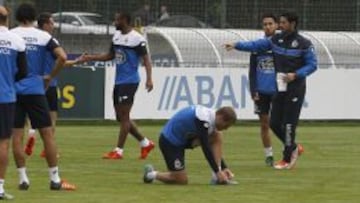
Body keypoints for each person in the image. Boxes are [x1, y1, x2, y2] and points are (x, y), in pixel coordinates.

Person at [225, 12, 316, 170]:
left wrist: (296, 75)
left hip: (295, 88)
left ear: (293, 24)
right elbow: (255, 46)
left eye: (283, 23)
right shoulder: (276, 40)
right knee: (273, 123)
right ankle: (293, 147)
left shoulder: (304, 43)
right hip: (279, 87)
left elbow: (312, 65)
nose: (280, 25)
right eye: (279, 22)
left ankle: (287, 159)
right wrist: (237, 45)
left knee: (289, 124)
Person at [11, 3, 75, 190]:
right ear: (33, 18)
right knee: (47, 134)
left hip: (14, 91)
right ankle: (54, 178)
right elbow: (62, 57)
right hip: (35, 89)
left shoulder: (10, 34)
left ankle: (23, 179)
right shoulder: (43, 36)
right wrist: (50, 77)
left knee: (17, 136)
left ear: (17, 17)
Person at [78, 12, 155, 160]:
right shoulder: (116, 36)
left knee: (124, 117)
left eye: (117, 20)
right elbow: (110, 56)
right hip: (119, 81)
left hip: (130, 81)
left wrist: (149, 79)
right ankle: (145, 143)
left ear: (125, 20)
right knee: (121, 118)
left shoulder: (137, 39)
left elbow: (146, 59)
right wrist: (91, 57)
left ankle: (118, 151)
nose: (115, 22)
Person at [24, 12, 82, 158]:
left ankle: (31, 133)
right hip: (49, 83)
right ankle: (47, 149)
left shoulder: (31, 40)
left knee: (31, 115)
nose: (53, 25)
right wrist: (74, 62)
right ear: (44, 24)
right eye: (51, 22)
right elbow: (61, 60)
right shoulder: (49, 41)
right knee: (51, 119)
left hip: (34, 83)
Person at [143, 105, 237, 185]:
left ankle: (216, 178)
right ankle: (151, 174)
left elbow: (213, 147)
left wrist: (223, 168)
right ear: (220, 117)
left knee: (217, 135)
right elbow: (206, 147)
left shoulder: (211, 117)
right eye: (226, 125)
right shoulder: (203, 119)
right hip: (170, 142)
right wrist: (218, 172)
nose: (226, 128)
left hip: (184, 138)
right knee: (181, 180)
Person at [0, 6, 27, 200]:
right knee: (3, 143)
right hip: (6, 97)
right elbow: (23, 72)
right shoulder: (16, 41)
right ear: (7, 19)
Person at [248, 13, 278, 166]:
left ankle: (290, 150)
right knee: (264, 124)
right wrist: (253, 90)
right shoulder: (258, 47)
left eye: (270, 24)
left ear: (276, 25)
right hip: (261, 91)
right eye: (265, 24)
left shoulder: (281, 45)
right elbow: (252, 71)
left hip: (278, 91)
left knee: (280, 123)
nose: (267, 26)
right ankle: (269, 155)